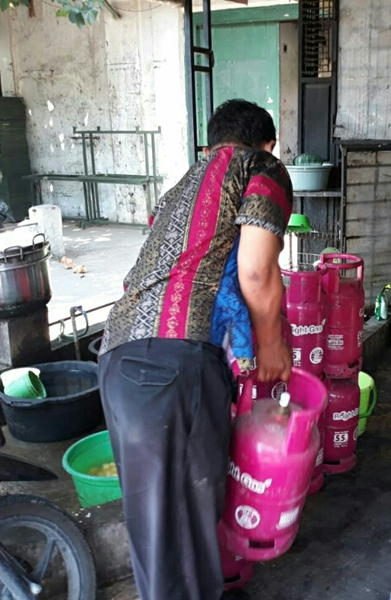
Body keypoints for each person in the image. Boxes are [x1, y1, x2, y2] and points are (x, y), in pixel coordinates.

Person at [98, 99, 293, 600]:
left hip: (119, 359)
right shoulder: (261, 167)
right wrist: (273, 346)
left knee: (158, 527)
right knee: (182, 528)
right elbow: (255, 270)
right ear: (267, 142)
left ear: (210, 143)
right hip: (174, 364)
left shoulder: (180, 185)